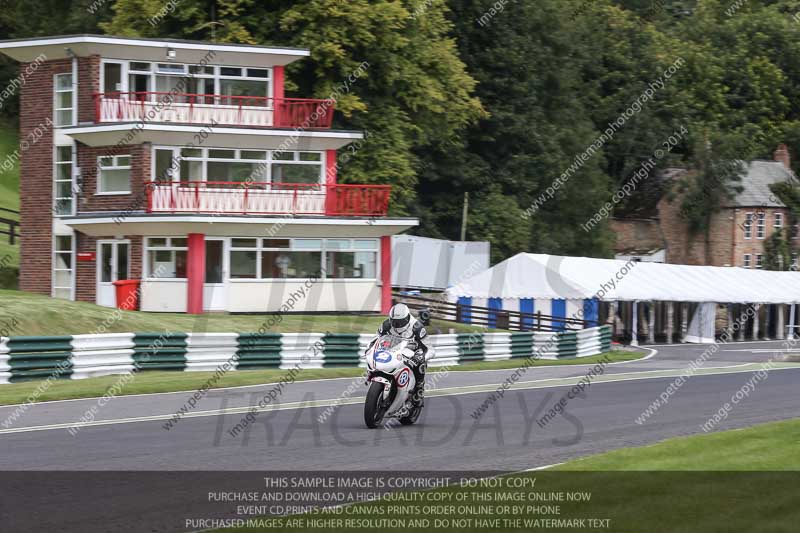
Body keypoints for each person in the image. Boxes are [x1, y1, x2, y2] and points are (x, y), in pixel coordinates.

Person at [372, 303, 429, 406]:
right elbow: (376, 339)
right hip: (393, 350)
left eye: (400, 322)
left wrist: (421, 356)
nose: (396, 325)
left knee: (421, 364)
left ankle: (418, 391)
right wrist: (370, 348)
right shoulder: (386, 325)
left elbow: (430, 349)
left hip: (412, 352)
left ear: (407, 318)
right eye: (394, 322)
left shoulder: (417, 327)